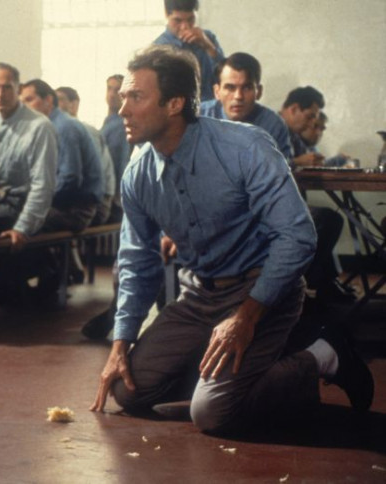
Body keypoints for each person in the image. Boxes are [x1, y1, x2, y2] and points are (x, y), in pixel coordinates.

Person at [90, 46, 373, 434]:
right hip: (199, 295)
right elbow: (138, 263)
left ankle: (325, 355)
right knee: (127, 389)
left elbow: (298, 236)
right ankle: (227, 376)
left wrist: (246, 316)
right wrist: (120, 345)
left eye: (136, 97)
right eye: (123, 97)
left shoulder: (245, 147)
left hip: (261, 292)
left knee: (211, 414)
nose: (122, 110)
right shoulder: (137, 174)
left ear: (174, 104)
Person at [0, 62, 57, 303]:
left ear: (18, 88)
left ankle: (39, 267)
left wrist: (23, 227)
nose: (0, 94)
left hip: (21, 206)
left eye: (7, 87)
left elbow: (42, 185)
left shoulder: (39, 126)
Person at [280, 87, 353, 303]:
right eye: (310, 116)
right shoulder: (274, 126)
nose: (313, 123)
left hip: (287, 203)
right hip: (270, 208)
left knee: (324, 218)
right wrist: (296, 162)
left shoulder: (293, 134)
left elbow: (306, 160)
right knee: (327, 220)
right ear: (294, 109)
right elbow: (266, 166)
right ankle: (306, 282)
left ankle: (324, 283)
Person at [20, 79, 103, 233]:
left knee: (10, 219)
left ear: (48, 100)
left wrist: (36, 199)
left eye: (29, 100)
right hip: (65, 205)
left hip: (75, 210)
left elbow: (70, 178)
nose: (23, 107)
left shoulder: (64, 127)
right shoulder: (47, 127)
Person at [200, 52, 291, 158]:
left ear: (259, 92)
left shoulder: (273, 125)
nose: (238, 96)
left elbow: (279, 167)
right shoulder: (198, 117)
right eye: (230, 88)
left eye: (247, 88)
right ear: (217, 92)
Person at [56, 86, 115, 226]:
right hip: (77, 199)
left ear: (74, 105)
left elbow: (85, 178)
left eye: (59, 100)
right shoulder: (58, 130)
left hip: (97, 204)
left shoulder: (84, 130)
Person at [154, 0, 223, 102]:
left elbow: (225, 76)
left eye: (191, 19)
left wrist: (208, 46)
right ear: (166, 15)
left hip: (215, 105)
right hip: (183, 108)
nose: (185, 26)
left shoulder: (208, 37)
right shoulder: (158, 49)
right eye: (178, 21)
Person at [102, 74, 131, 219]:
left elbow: (122, 161)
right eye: (109, 89)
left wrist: (118, 198)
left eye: (117, 90)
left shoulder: (123, 124)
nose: (112, 94)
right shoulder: (108, 122)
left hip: (114, 199)